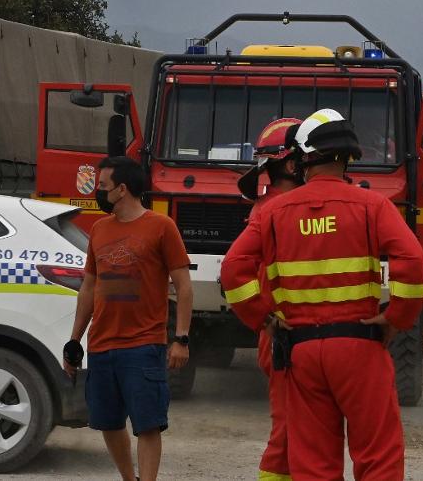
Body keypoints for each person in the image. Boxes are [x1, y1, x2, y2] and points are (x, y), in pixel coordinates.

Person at [263, 108, 423, 481]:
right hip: (361, 346)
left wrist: (264, 318)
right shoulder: (373, 206)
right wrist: (397, 318)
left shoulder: (275, 211)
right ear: (347, 157)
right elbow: (415, 261)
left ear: (303, 158)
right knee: (378, 457)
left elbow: (235, 267)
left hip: (301, 350)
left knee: (314, 462)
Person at [63, 155, 194, 481]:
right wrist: (74, 340)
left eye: (103, 186)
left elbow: (184, 285)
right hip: (102, 345)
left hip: (144, 345)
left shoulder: (161, 227)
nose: (98, 191)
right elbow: (89, 288)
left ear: (122, 189)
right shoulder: (99, 229)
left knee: (148, 424)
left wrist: (181, 339)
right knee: (108, 422)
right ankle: (129, 478)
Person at [221, 117, 304, 481]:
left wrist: (262, 321)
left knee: (298, 431)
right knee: (288, 433)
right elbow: (235, 271)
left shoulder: (267, 207)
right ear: (291, 163)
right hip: (288, 335)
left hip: (282, 334)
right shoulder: (285, 209)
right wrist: (267, 321)